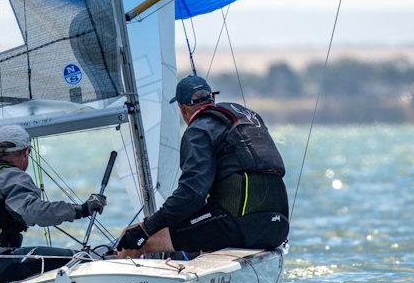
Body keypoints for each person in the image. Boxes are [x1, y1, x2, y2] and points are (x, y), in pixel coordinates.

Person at [116, 75, 289, 257]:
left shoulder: (198, 130)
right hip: (277, 228)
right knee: (198, 226)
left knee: (134, 239)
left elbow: (191, 194)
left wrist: (145, 229)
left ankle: (119, 281)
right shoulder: (244, 118)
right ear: (212, 98)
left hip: (239, 227)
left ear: (182, 109)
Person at [0, 124, 106, 283]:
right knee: (81, 260)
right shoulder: (10, 176)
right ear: (25, 152)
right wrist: (82, 209)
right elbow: (34, 212)